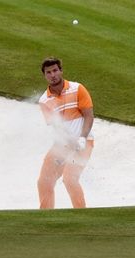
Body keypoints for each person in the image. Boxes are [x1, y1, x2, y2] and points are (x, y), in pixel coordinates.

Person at [37, 57, 95, 209]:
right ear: (45, 75)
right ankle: (46, 216)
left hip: (85, 142)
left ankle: (81, 214)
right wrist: (69, 143)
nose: (53, 75)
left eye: (55, 70)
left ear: (61, 71)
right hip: (62, 144)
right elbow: (57, 128)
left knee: (70, 179)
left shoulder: (77, 89)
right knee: (44, 181)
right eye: (48, 72)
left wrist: (81, 138)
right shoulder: (44, 100)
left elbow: (89, 115)